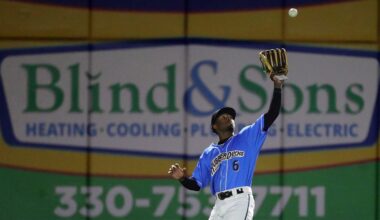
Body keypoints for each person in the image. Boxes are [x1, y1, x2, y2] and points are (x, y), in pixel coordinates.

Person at [168, 75, 284, 219]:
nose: (228, 117)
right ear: (214, 126)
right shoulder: (209, 153)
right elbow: (197, 184)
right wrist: (182, 178)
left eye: (230, 116)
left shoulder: (246, 137)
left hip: (239, 200)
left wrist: (277, 86)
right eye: (223, 116)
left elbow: (272, 114)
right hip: (218, 205)